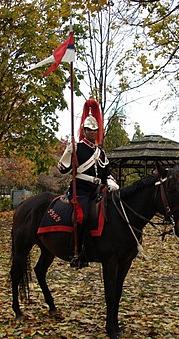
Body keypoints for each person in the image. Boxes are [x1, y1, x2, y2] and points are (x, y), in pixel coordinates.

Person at [58, 99, 118, 268]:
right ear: (83, 131)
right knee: (81, 216)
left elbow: (107, 172)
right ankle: (78, 251)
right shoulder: (77, 147)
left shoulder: (100, 152)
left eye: (94, 130)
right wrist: (69, 152)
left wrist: (112, 183)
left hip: (99, 190)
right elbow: (63, 169)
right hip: (82, 191)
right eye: (89, 130)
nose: (92, 133)